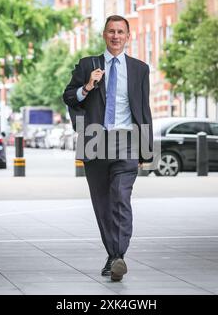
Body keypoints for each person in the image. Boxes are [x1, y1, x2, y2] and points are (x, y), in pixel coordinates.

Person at [63, 15, 153, 281]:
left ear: (128, 36)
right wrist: (88, 86)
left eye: (121, 32)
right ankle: (114, 257)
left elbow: (143, 111)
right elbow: (68, 97)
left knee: (120, 198)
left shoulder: (139, 69)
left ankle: (119, 255)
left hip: (127, 141)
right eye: (111, 31)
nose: (116, 36)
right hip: (95, 140)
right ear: (104, 35)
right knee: (103, 204)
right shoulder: (87, 64)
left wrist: (145, 151)